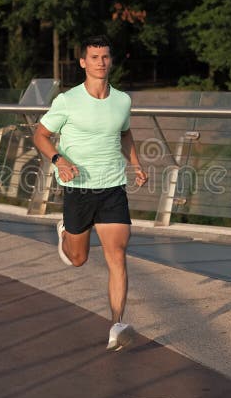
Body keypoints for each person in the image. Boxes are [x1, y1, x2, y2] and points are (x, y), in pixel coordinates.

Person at [33, 34, 148, 351]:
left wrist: (136, 164)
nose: (101, 62)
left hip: (113, 187)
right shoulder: (67, 101)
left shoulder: (122, 100)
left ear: (111, 61)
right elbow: (40, 135)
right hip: (78, 189)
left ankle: (117, 325)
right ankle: (65, 234)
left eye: (105, 57)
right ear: (83, 62)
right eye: (94, 57)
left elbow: (125, 134)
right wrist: (59, 159)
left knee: (118, 257)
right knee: (79, 258)